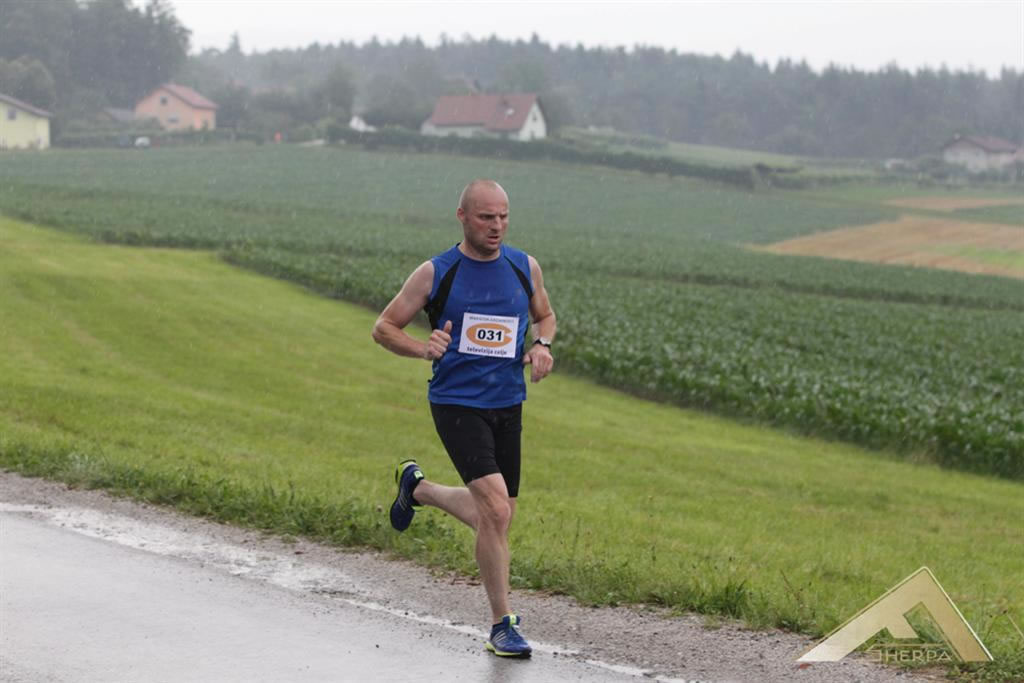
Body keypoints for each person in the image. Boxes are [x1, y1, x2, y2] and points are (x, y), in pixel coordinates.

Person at [371, 179, 556, 658]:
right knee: (494, 510)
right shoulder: (436, 273)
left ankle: (418, 489)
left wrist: (542, 345)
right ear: (462, 216)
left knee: (499, 515)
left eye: (503, 217)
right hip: (456, 402)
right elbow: (384, 327)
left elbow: (546, 316)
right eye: (486, 217)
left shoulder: (524, 266)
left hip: (507, 403)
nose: (496, 226)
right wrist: (422, 347)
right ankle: (502, 625)